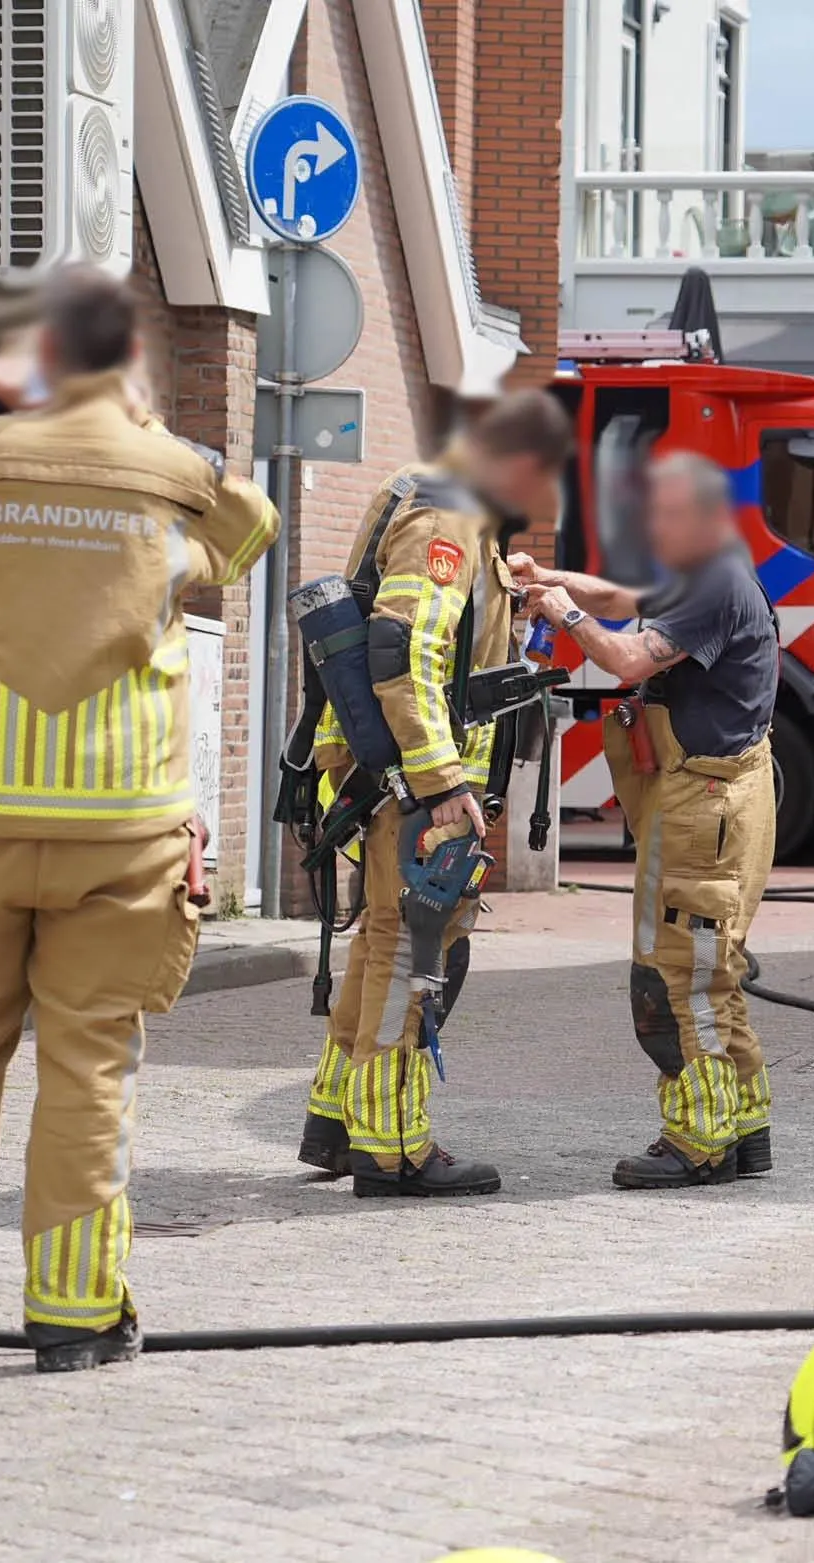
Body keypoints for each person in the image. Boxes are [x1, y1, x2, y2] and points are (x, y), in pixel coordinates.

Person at [0, 267, 278, 1372]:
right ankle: (76, 1316)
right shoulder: (178, 474)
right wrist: (141, 429)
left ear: (35, 357)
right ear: (129, 360)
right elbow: (251, 533)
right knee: (92, 1070)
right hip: (122, 828)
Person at [295, 392, 575, 1198]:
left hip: (394, 772)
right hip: (417, 780)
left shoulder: (445, 502)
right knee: (411, 949)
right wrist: (442, 781)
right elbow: (405, 647)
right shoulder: (448, 515)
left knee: (383, 936)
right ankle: (392, 1148)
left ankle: (339, 1120)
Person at [512, 451, 781, 1188]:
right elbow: (624, 595)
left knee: (679, 976)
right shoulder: (702, 569)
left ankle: (699, 1140)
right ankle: (743, 1125)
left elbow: (629, 658)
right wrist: (553, 580)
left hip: (702, 808)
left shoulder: (713, 581)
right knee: (714, 971)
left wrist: (564, 616)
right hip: (715, 798)